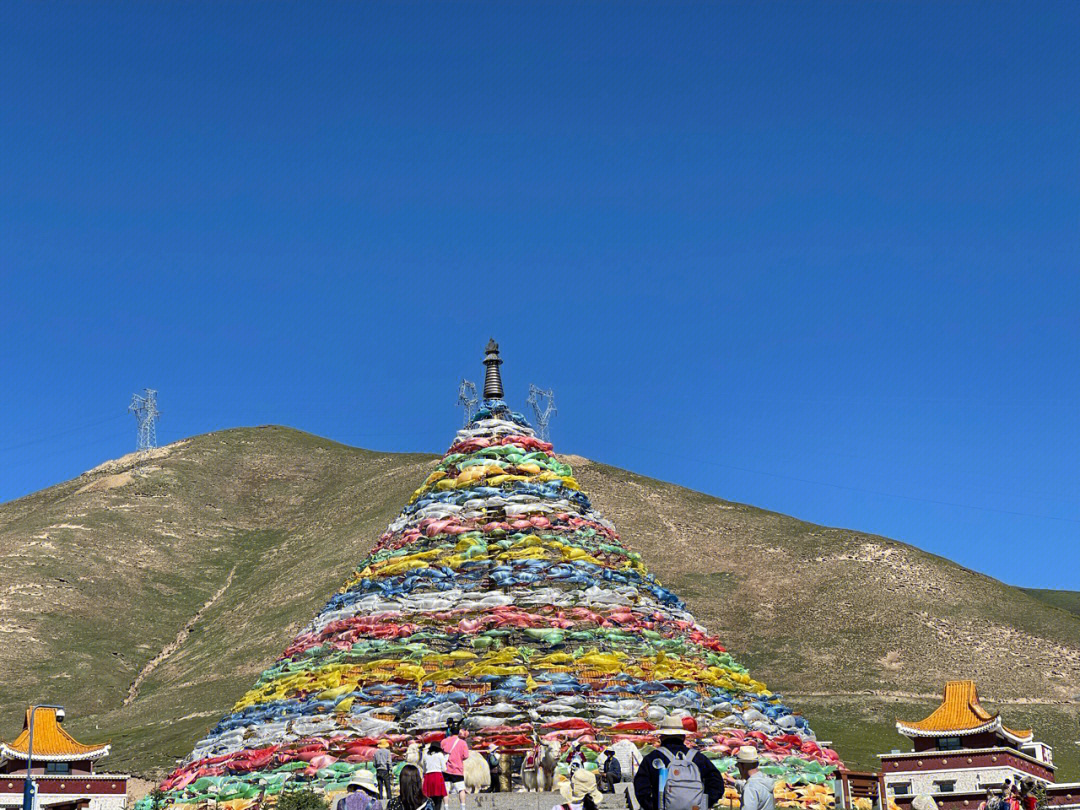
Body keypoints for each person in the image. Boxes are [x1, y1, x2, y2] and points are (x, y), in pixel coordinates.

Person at [633, 716, 725, 810]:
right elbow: (717, 785)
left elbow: (641, 788)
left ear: (661, 737)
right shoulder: (698, 758)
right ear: (683, 737)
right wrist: (704, 803)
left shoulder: (652, 758)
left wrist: (652, 806)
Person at [440, 725, 470, 810]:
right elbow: (466, 756)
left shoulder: (444, 741)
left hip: (446, 769)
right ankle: (462, 807)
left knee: (446, 790)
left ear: (450, 732)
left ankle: (446, 807)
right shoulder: (463, 743)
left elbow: (441, 753)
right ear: (459, 733)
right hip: (458, 770)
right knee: (461, 789)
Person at [422, 742, 448, 810]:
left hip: (428, 777)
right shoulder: (440, 755)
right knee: (438, 798)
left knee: (429, 798)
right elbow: (444, 769)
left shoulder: (425, 755)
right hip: (437, 776)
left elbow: (424, 769)